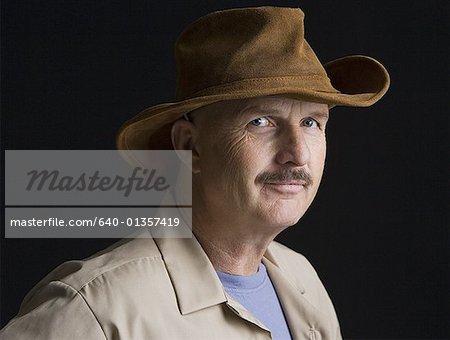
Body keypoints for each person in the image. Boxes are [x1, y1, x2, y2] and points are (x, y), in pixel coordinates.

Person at [0, 6, 389, 339]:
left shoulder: (303, 283)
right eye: (260, 121)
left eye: (311, 123)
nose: (297, 153)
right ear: (188, 146)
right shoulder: (95, 310)